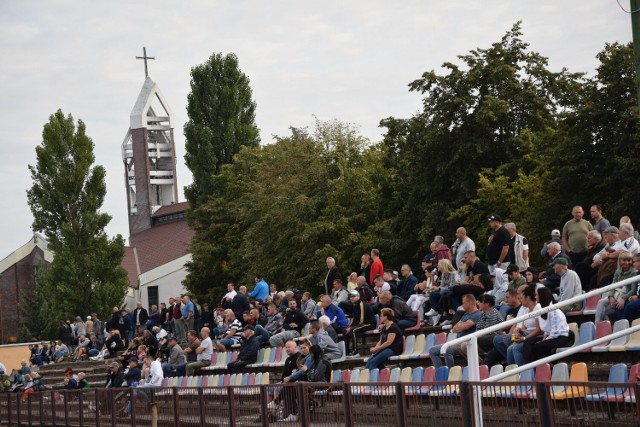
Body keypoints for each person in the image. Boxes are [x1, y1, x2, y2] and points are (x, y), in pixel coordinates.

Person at [485, 285, 541, 367]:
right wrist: (514, 332)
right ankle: (512, 372)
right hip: (523, 335)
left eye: (521, 298)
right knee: (509, 348)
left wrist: (523, 338)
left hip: (531, 337)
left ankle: (521, 373)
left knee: (513, 347)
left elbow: (539, 330)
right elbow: (519, 324)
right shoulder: (526, 308)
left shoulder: (537, 308)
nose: (520, 299)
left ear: (527, 297)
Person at [429, 294, 482, 368]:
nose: (462, 305)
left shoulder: (478, 314)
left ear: (470, 303)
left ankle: (450, 372)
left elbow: (464, 327)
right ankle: (439, 372)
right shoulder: (466, 314)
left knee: (447, 350)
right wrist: (460, 326)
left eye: (463, 303)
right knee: (432, 350)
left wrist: (460, 326)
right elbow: (455, 328)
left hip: (466, 343)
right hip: (457, 342)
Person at [522, 287, 571, 363]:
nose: (535, 297)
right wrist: (544, 337)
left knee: (537, 347)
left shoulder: (554, 310)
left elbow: (555, 332)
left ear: (542, 296)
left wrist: (545, 340)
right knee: (527, 342)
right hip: (551, 336)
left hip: (560, 337)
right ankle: (528, 369)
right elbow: (547, 329)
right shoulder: (543, 309)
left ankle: (535, 368)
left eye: (537, 295)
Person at [594, 251, 637, 322]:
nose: (627, 263)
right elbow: (613, 285)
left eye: (629, 260)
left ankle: (604, 326)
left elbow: (633, 290)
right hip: (615, 295)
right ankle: (597, 325)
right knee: (601, 302)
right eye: (624, 260)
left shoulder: (633, 272)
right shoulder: (618, 272)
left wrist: (623, 298)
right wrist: (611, 297)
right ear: (620, 261)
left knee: (603, 312)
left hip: (624, 296)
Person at [344, 291, 375, 357]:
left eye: (353, 296)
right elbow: (355, 318)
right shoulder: (355, 305)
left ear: (358, 296)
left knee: (353, 330)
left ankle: (355, 352)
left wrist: (352, 327)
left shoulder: (362, 303)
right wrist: (349, 327)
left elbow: (361, 319)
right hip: (361, 324)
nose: (351, 298)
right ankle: (347, 352)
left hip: (369, 324)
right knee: (345, 331)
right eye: (350, 297)